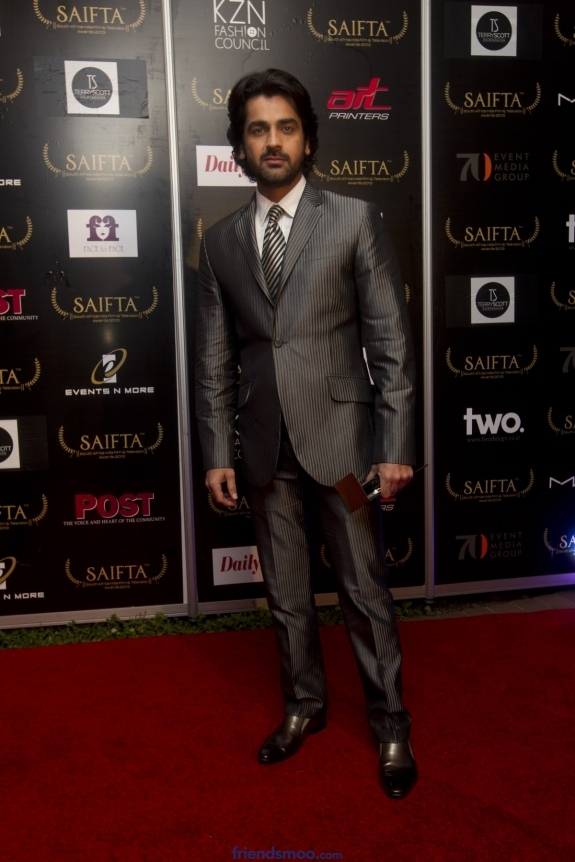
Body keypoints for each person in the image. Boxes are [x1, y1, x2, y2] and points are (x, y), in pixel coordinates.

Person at [195, 69, 417, 799]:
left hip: (346, 451)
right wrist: (217, 453)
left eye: (285, 127)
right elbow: (215, 358)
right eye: (257, 129)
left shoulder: (353, 220)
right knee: (287, 592)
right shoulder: (221, 242)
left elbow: (390, 342)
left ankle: (390, 724)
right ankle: (303, 706)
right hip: (265, 451)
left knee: (363, 588)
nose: (272, 141)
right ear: (239, 146)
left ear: (308, 140)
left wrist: (394, 447)